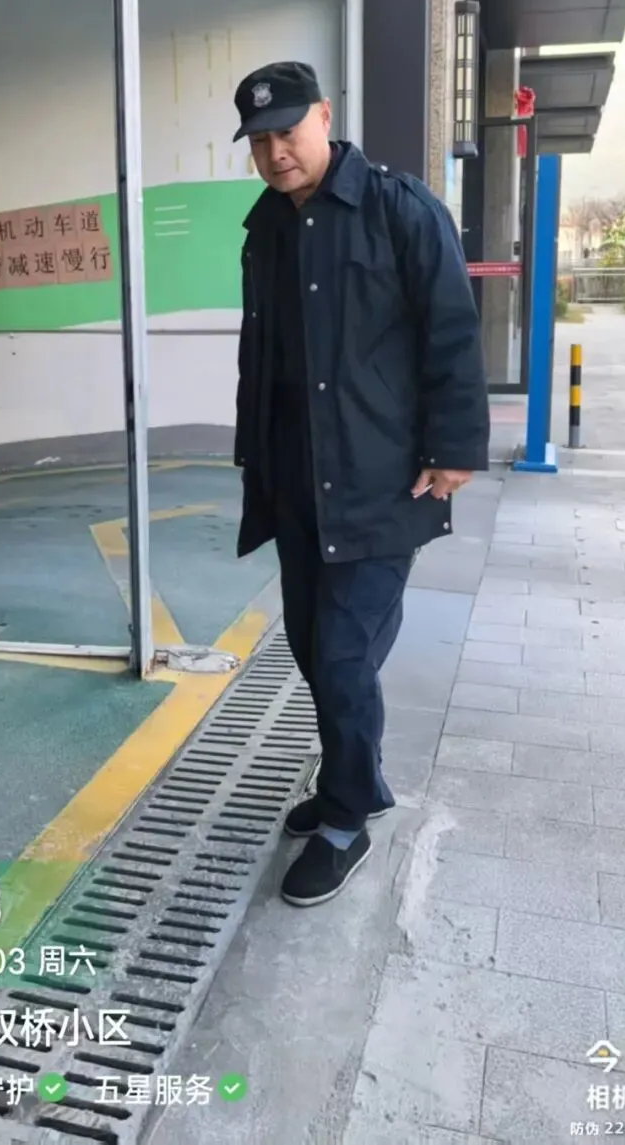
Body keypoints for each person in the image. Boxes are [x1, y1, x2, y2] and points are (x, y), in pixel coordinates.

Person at [232, 60, 490, 907]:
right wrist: (255, 457)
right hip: (298, 480)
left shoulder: (398, 208)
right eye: (259, 141)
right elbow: (264, 354)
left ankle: (347, 817)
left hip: (382, 481)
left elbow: (451, 330)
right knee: (314, 648)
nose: (275, 153)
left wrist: (454, 447)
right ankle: (352, 779)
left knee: (344, 653)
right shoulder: (266, 227)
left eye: (287, 132)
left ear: (324, 116)